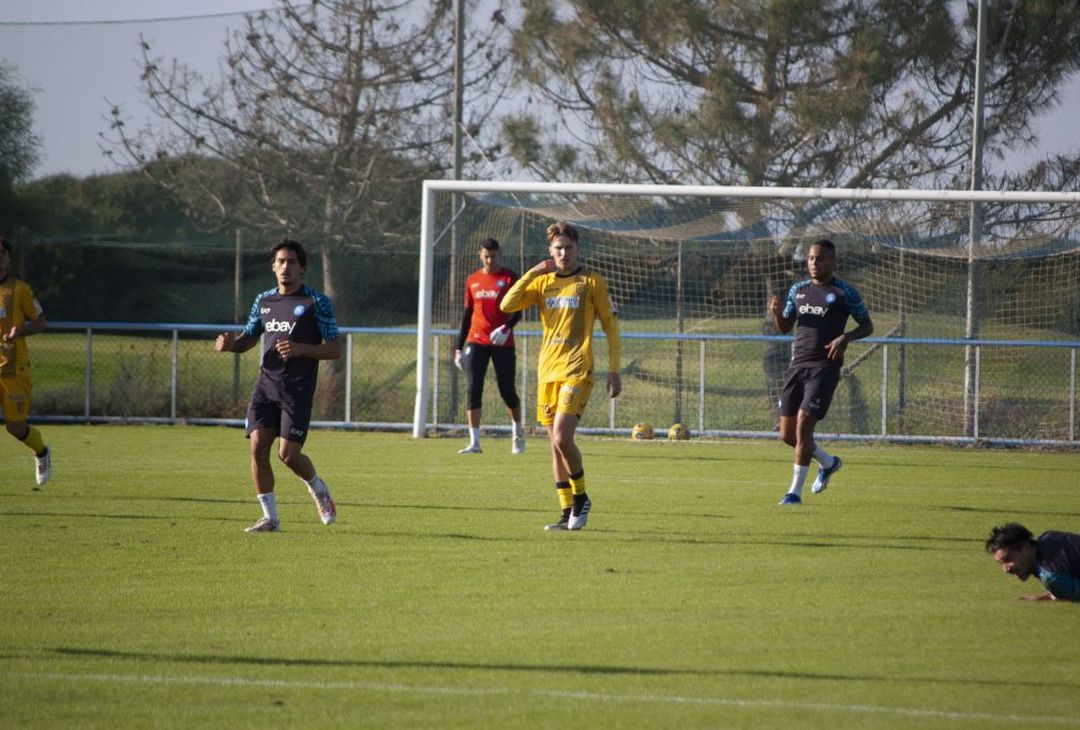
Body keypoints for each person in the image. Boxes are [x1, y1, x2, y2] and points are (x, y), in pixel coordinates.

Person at [500, 221, 621, 531]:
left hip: (578, 370)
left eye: (568, 248)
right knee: (554, 446)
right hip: (548, 372)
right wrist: (533, 272)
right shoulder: (543, 283)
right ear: (550, 252)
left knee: (561, 437)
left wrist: (614, 369)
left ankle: (581, 499)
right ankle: (567, 511)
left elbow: (610, 326)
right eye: (558, 249)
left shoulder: (591, 281)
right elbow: (507, 304)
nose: (563, 253)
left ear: (577, 249)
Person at [215, 239, 341, 533]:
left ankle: (318, 488)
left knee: (288, 455)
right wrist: (231, 345)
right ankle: (270, 518)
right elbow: (249, 338)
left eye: (292, 262)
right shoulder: (263, 301)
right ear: (273, 266)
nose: (286, 267)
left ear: (302, 268)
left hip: (296, 390)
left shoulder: (316, 302)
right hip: (266, 386)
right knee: (258, 448)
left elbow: (334, 349)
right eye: (281, 262)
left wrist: (300, 349)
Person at [768, 238, 873, 506]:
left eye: (821, 258)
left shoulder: (844, 292)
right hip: (797, 366)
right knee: (787, 435)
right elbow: (785, 327)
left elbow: (867, 326)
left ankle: (794, 493)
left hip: (824, 367)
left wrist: (845, 338)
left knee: (804, 423)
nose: (815, 263)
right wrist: (777, 315)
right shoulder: (798, 290)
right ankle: (828, 462)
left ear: (833, 262)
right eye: (812, 258)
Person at [454, 237, 526, 455]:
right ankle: (474, 442)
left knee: (507, 390)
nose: (489, 260)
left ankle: (518, 433)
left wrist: (507, 328)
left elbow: (519, 309)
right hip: (476, 341)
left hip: (502, 342)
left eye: (493, 256)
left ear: (499, 255)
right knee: (473, 387)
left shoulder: (510, 277)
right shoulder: (473, 280)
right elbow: (467, 315)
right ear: (480, 255)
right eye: (486, 256)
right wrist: (458, 346)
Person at [0, 236, 52, 486]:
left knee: (15, 428)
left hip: (14, 369)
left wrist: (20, 332)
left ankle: (41, 452)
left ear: (8, 258)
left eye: (1, 252)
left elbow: (41, 321)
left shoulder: (20, 289)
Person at [985, 523, 1080, 601]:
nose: (1006, 569)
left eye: (1008, 559)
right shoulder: (1048, 537)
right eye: (1001, 563)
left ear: (1025, 548)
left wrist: (1060, 591)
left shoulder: (1051, 576)